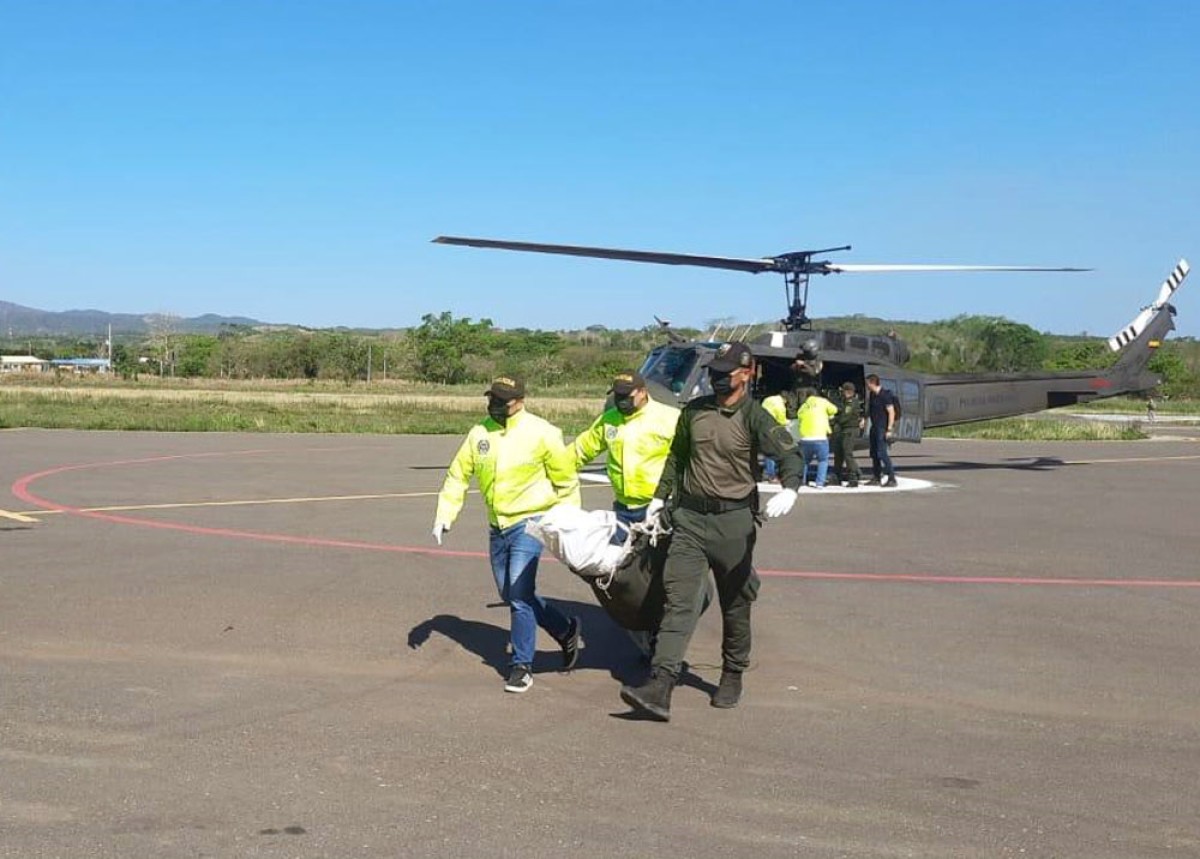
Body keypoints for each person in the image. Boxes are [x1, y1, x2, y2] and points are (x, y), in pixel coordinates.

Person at [619, 342, 804, 722]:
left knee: (735, 602)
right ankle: (661, 684)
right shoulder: (694, 412)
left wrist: (790, 486)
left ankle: (733, 671)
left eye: (726, 372)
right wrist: (658, 499)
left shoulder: (755, 417)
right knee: (679, 601)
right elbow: (677, 457)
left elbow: (789, 454)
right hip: (688, 519)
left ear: (746, 373)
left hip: (733, 523)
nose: (718, 378)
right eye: (714, 372)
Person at [432, 375, 583, 694]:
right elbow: (458, 474)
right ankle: (565, 628)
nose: (494, 406)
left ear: (520, 402)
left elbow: (566, 480)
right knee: (513, 593)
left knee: (517, 594)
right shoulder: (479, 433)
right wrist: (445, 513)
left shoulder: (543, 433)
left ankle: (522, 665)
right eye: (492, 399)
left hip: (531, 522)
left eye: (501, 401)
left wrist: (570, 522)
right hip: (498, 525)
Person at [573, 371, 679, 527]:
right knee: (619, 550)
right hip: (623, 508)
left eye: (626, 395)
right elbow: (581, 450)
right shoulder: (609, 419)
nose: (622, 401)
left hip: (658, 505)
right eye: (618, 396)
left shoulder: (670, 418)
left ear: (642, 393)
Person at [795, 387, 838, 488]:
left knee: (804, 461)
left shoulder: (804, 406)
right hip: (820, 436)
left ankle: (802, 481)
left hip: (805, 438)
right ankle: (820, 482)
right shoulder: (823, 402)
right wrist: (829, 416)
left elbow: (799, 417)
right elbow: (834, 410)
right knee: (823, 460)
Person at [864, 374, 898, 487]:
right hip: (874, 426)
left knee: (882, 453)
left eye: (867, 383)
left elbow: (891, 412)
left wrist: (889, 429)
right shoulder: (873, 395)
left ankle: (892, 478)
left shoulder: (885, 395)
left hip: (882, 427)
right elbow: (871, 410)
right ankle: (876, 477)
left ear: (872, 383)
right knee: (874, 453)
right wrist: (864, 419)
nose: (867, 386)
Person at [830, 381, 865, 487]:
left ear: (848, 391)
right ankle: (837, 476)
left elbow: (845, 417)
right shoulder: (845, 402)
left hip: (849, 430)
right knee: (838, 453)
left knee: (847, 453)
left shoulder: (851, 403)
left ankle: (854, 475)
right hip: (843, 430)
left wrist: (834, 420)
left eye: (844, 391)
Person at [759, 390, 790, 481]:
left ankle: (767, 472)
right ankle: (772, 475)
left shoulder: (767, 399)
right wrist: (789, 422)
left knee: (767, 452)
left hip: (762, 426)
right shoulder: (780, 405)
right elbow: (782, 420)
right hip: (772, 429)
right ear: (785, 400)